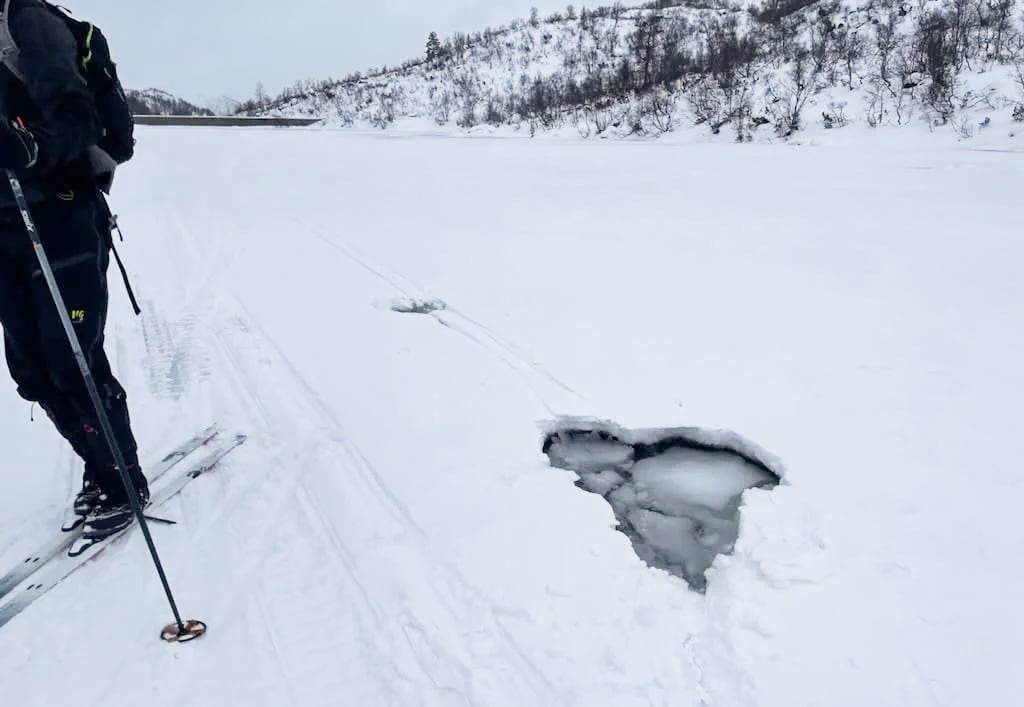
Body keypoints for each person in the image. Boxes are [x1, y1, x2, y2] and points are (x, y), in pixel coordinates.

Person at [0, 0, 147, 539]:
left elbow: (75, 115)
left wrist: (30, 147)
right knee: (32, 371)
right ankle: (96, 456)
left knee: (71, 360)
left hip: (60, 216)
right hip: (5, 231)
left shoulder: (27, 25)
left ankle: (122, 476)